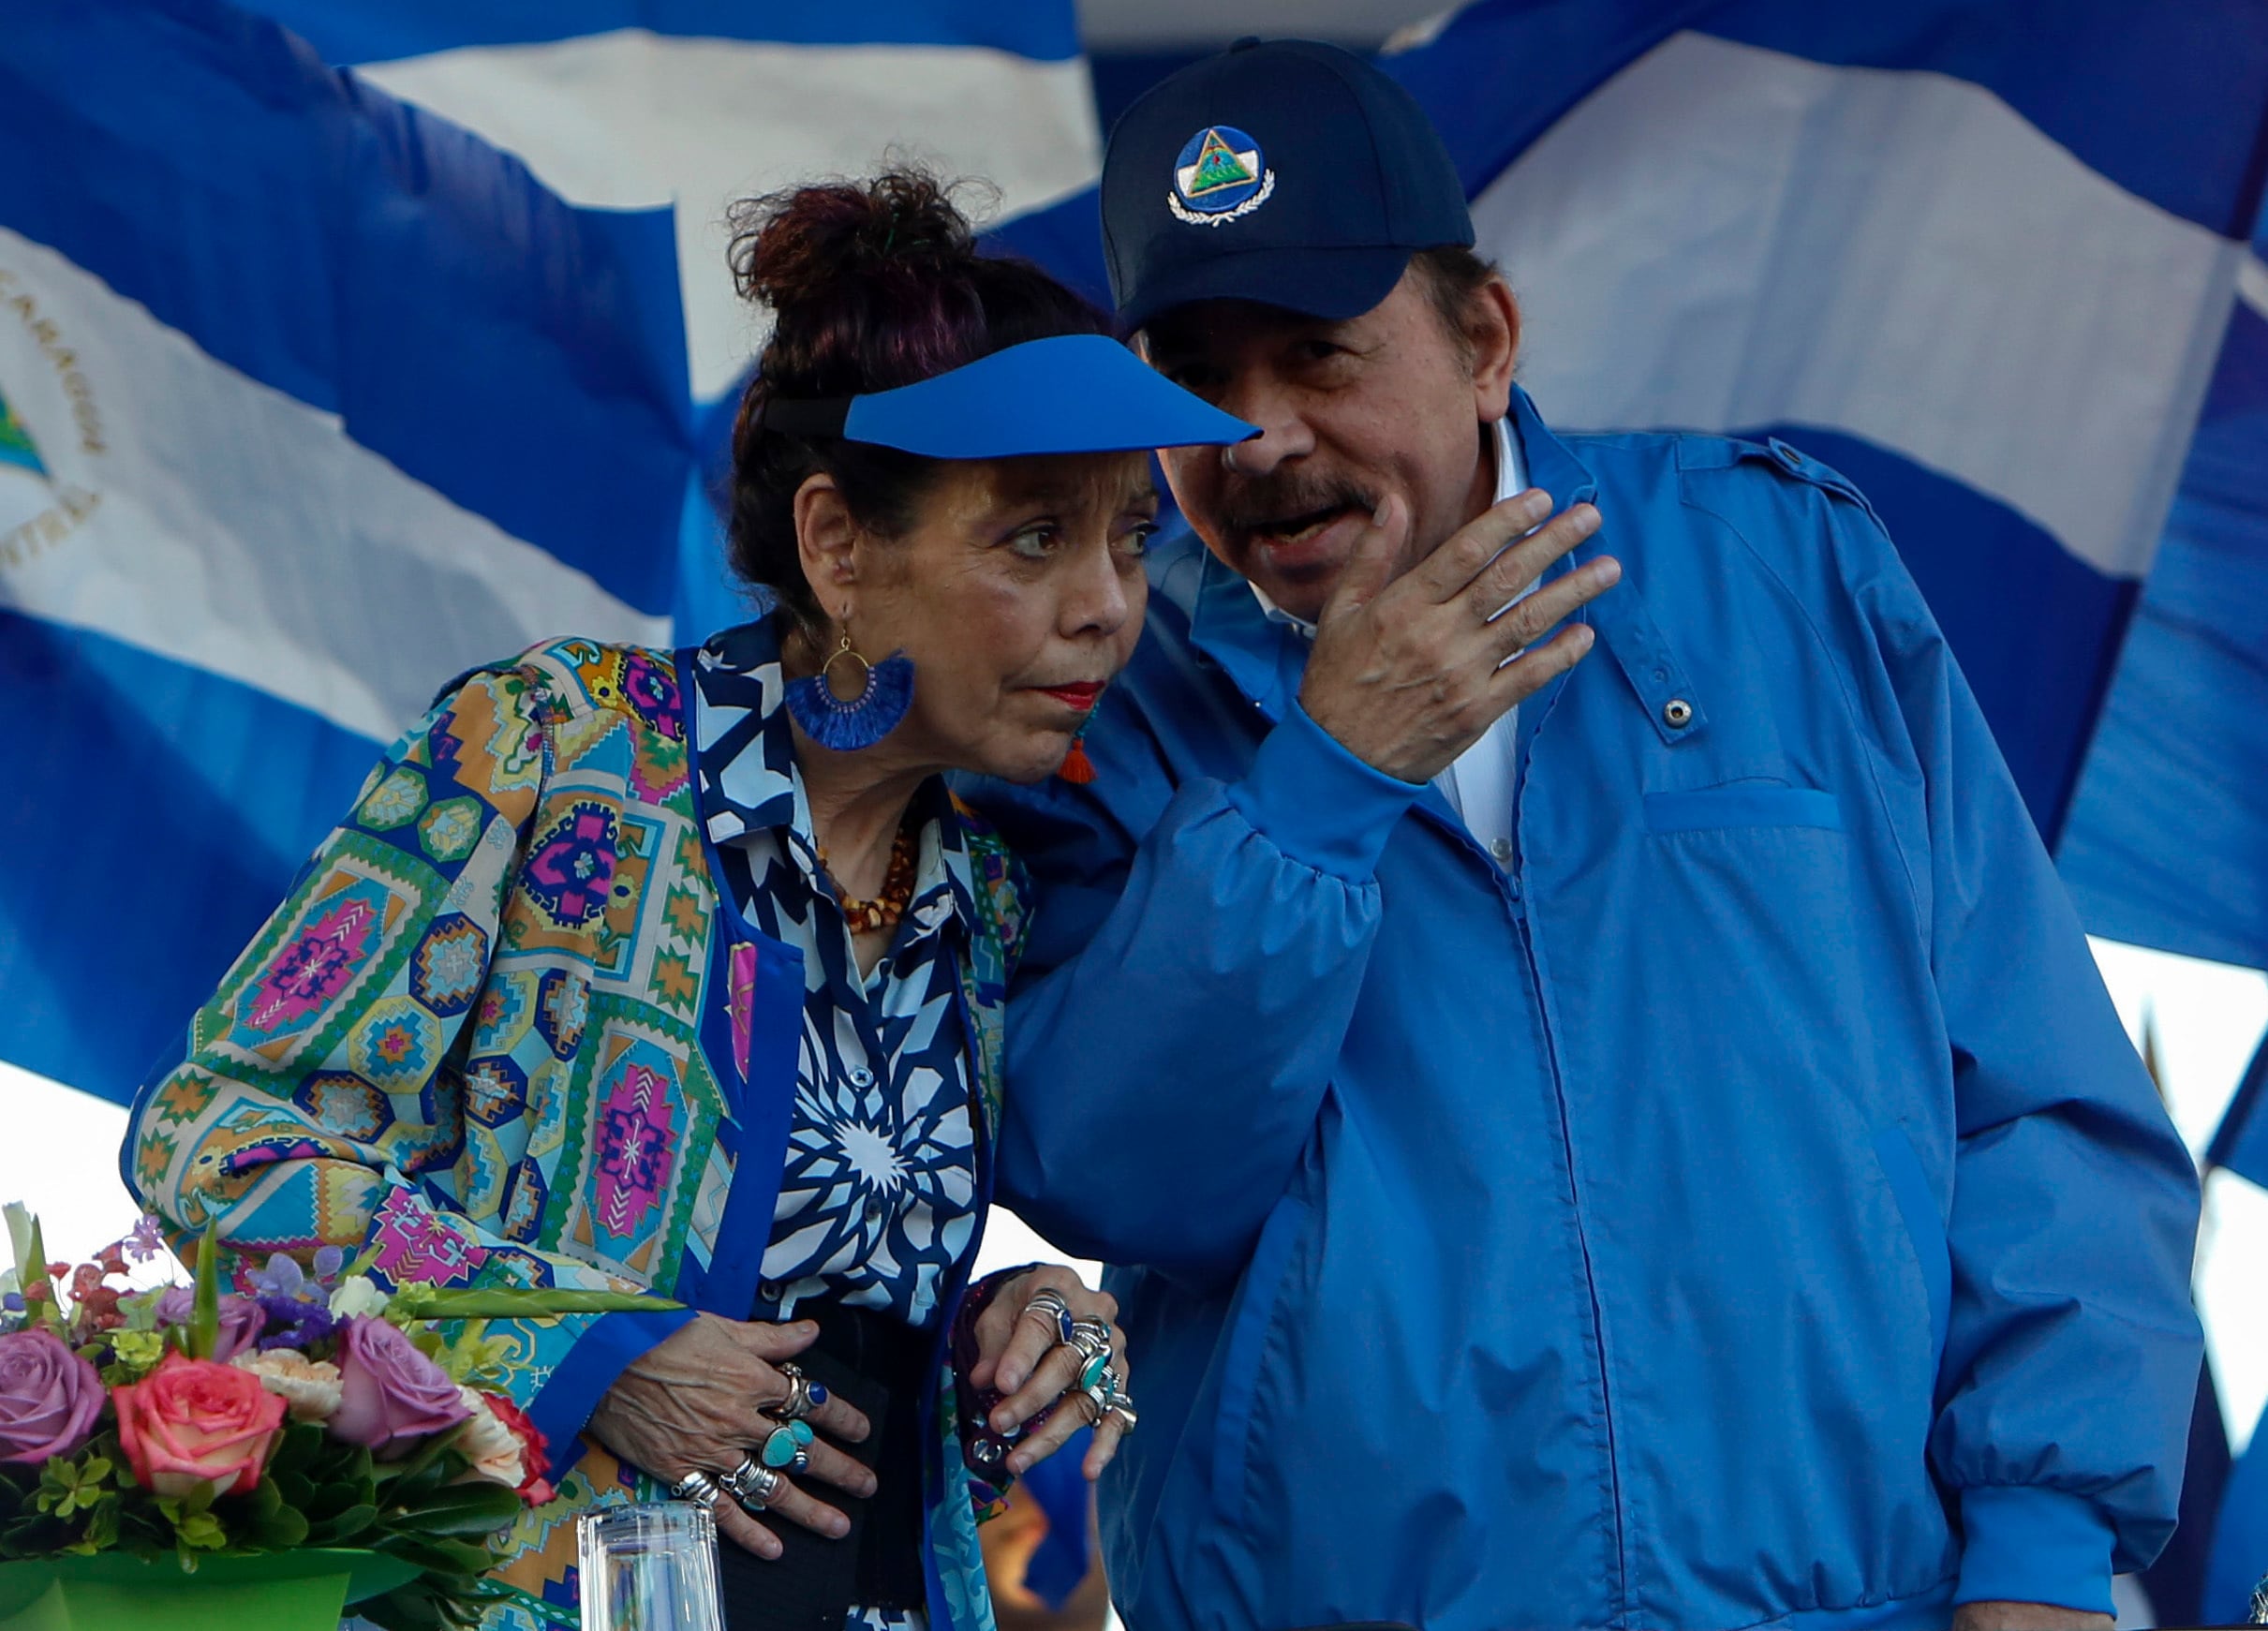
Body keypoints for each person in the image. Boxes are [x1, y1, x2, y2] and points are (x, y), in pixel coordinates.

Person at [970, 40, 2204, 1631]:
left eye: (1321, 355)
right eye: (1195, 381)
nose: (1257, 436)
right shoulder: (1114, 700)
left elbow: (2036, 1103)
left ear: (1484, 338)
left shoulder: (1783, 569)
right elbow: (1126, 1179)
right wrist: (1325, 780)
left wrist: (2043, 1562)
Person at [121, 170, 1253, 1631]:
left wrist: (1006, 1334)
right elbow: (207, 1133)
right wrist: (593, 1346)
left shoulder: (982, 891)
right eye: (1034, 538)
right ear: (838, 545)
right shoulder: (556, 747)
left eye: (1129, 539)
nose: (1106, 603)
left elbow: (836, 1365)